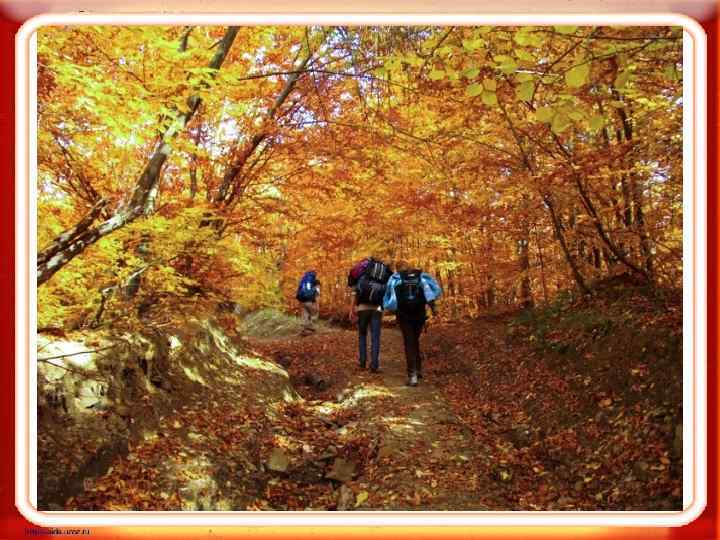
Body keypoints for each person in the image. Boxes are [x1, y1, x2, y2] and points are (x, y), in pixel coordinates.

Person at [383, 260, 442, 386]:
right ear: (408, 267)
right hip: (419, 315)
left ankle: (412, 375)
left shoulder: (396, 279)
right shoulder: (420, 277)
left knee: (409, 343)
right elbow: (429, 294)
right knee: (415, 341)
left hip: (403, 316)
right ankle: (418, 370)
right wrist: (434, 309)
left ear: (397, 269)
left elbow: (390, 299)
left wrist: (388, 309)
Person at [348, 257, 392, 373]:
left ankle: (362, 363)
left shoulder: (361, 275)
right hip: (377, 308)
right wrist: (384, 309)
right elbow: (387, 292)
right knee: (375, 337)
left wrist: (352, 309)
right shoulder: (382, 276)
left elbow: (354, 292)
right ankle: (374, 365)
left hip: (362, 308)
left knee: (362, 335)